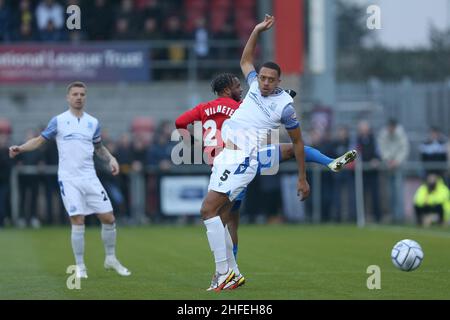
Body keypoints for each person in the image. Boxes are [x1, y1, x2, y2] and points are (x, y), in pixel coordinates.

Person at [197, 15, 354, 292]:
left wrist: (302, 179)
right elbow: (246, 60)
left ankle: (223, 273)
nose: (265, 82)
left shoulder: (285, 108)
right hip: (226, 155)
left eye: (271, 79)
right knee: (219, 214)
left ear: (279, 81)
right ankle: (231, 272)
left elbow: (297, 142)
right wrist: (256, 30)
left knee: (207, 209)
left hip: (244, 158)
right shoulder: (255, 85)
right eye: (263, 78)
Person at [175, 73, 357, 278]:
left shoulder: (203, 108)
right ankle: (329, 162)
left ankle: (229, 271)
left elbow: (179, 122)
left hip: (223, 167)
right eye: (237, 85)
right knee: (292, 149)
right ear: (227, 90)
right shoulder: (239, 108)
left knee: (229, 221)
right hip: (242, 161)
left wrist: (191, 142)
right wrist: (281, 100)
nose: (241, 88)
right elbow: (261, 108)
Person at [9, 81, 131, 279]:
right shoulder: (58, 121)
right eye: (75, 94)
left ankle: (110, 258)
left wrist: (111, 158)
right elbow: (39, 141)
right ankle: (80, 265)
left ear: (85, 97)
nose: (79, 97)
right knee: (78, 220)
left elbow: (99, 148)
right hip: (69, 179)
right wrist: (20, 148)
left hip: (90, 177)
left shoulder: (93, 122)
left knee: (109, 218)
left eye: (82, 94)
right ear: (68, 97)